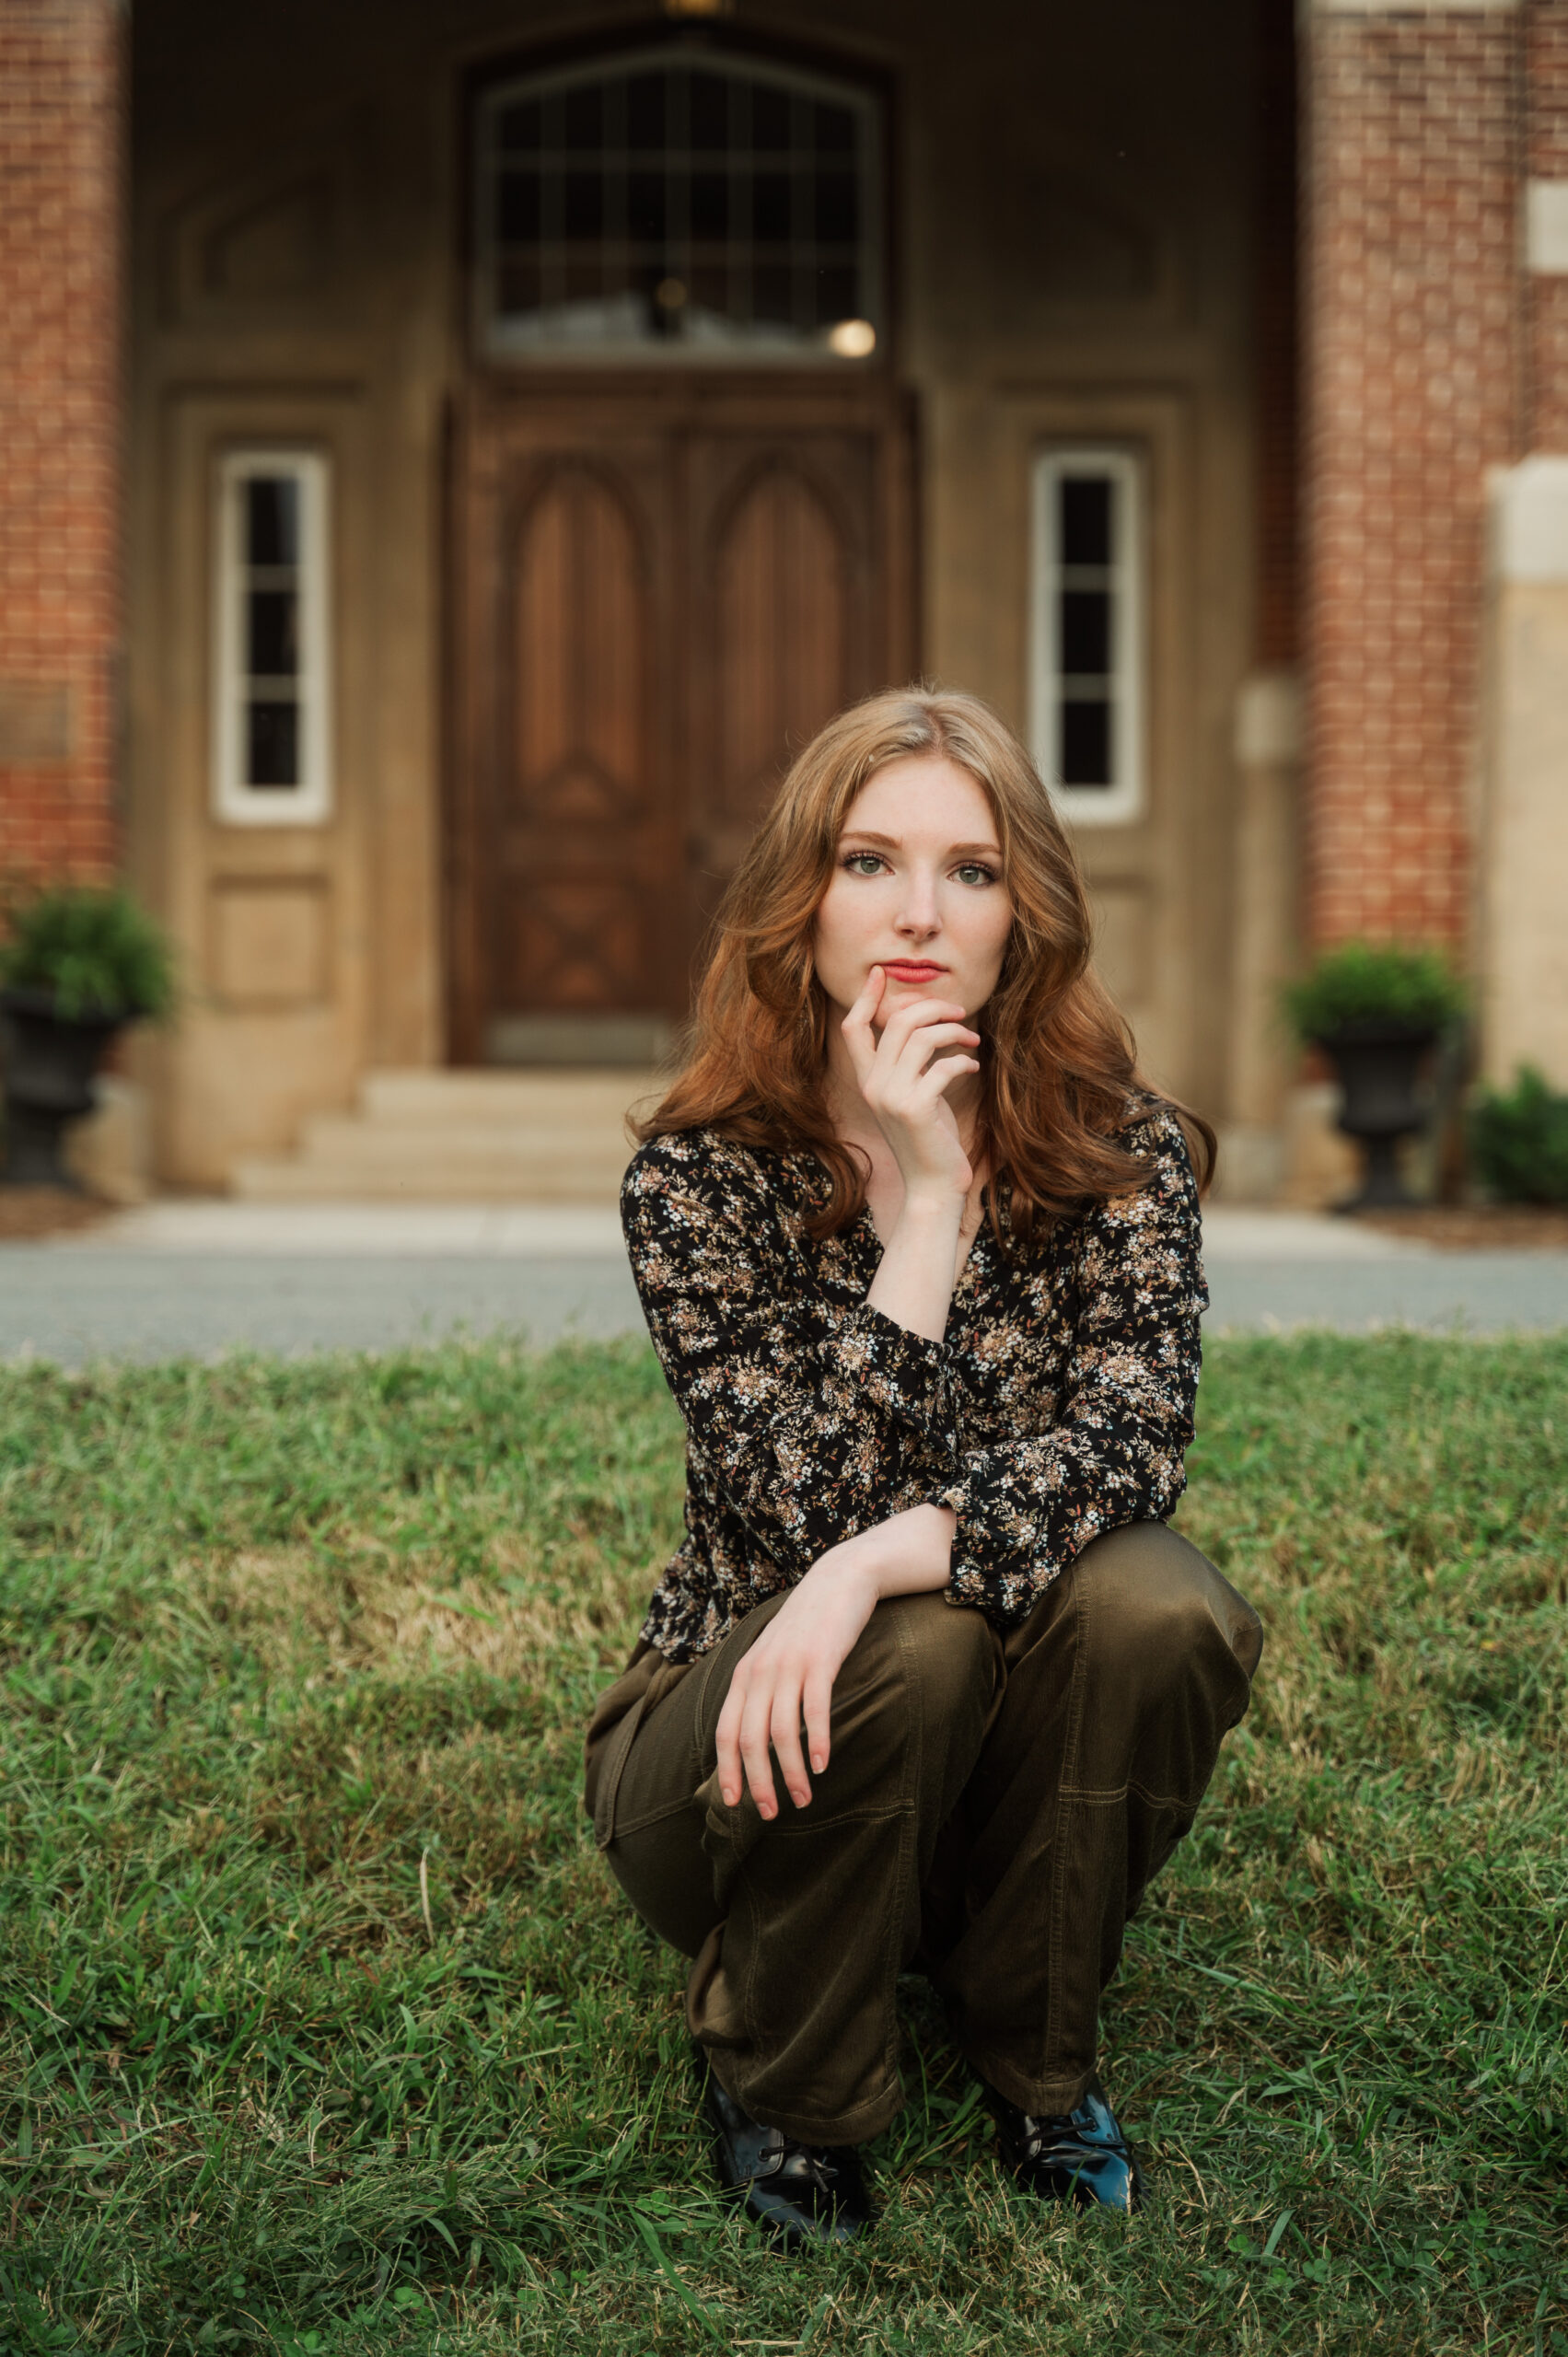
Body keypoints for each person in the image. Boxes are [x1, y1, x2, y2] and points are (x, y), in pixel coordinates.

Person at [585, 687, 1262, 2245]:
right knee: (924, 1642)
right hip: (728, 1761)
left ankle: (1032, 2046)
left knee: (1154, 1603)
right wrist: (932, 1212)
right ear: (801, 902)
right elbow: (808, 1492)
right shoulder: (700, 1183)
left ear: (1025, 914)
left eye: (970, 871)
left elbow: (1133, 1448)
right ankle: (787, 2075)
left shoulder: (1123, 1155)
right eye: (869, 861)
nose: (916, 913)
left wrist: (867, 1566)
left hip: (984, 1746)